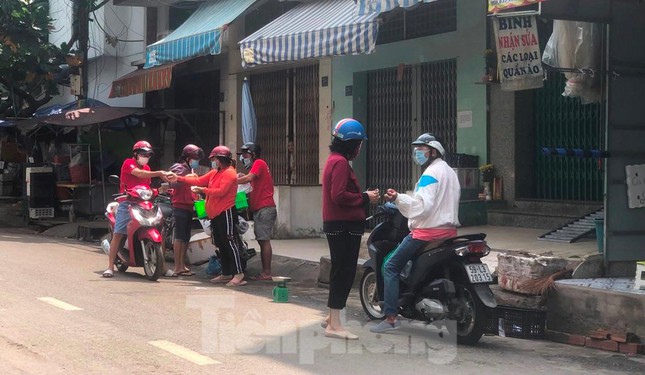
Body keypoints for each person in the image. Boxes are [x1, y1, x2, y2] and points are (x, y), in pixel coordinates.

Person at [370, 133, 461, 333]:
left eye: (422, 149)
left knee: (391, 266)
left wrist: (398, 199)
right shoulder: (450, 173)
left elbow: (422, 207)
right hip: (449, 232)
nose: (418, 153)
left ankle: (391, 318)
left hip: (426, 232)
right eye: (417, 149)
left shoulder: (430, 173)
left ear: (434, 151)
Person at [321, 118, 380, 340]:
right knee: (343, 272)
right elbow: (339, 195)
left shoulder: (334, 160)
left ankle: (331, 318)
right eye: (359, 144)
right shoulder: (340, 163)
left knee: (341, 271)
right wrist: (365, 197)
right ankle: (335, 325)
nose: (360, 148)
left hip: (341, 224)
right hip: (343, 226)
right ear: (352, 144)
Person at [168, 146, 247, 286]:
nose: (213, 162)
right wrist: (179, 178)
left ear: (221, 160)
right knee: (221, 244)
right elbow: (198, 181)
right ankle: (226, 273)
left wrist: (202, 190)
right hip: (215, 214)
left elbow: (221, 191)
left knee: (230, 242)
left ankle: (238, 273)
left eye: (215, 159)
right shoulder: (215, 173)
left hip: (226, 212)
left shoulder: (229, 173)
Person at [103, 141, 170, 278]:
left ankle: (162, 267)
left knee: (160, 228)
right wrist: (158, 173)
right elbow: (139, 174)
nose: (146, 156)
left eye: (148, 154)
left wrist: (161, 189)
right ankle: (110, 267)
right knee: (118, 233)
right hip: (127, 203)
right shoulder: (128, 163)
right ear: (135, 154)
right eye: (143, 154)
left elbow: (147, 187)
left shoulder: (147, 167)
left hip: (144, 203)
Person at [237, 142, 276, 281]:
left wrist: (231, 181)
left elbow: (249, 178)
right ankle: (265, 272)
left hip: (265, 208)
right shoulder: (256, 166)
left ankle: (266, 273)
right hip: (261, 208)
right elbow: (249, 181)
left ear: (253, 154)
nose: (243, 157)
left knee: (264, 240)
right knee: (261, 240)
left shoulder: (259, 162)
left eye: (245, 154)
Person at [167, 144, 205, 277]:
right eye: (195, 158)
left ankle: (182, 265)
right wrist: (187, 179)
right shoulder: (179, 168)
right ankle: (178, 267)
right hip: (180, 206)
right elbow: (173, 183)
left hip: (188, 206)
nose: (197, 161)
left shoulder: (190, 171)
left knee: (185, 237)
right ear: (188, 158)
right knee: (179, 237)